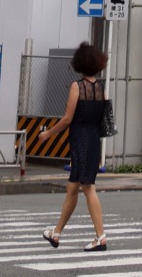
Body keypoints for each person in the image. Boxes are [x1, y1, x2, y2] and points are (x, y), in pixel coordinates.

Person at [45, 41, 110, 251]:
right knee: (72, 187)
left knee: (88, 187)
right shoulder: (101, 88)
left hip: (80, 139)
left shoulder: (77, 87)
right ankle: (56, 233)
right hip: (94, 140)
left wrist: (48, 133)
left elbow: (67, 119)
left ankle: (101, 237)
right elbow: (105, 118)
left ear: (80, 63)